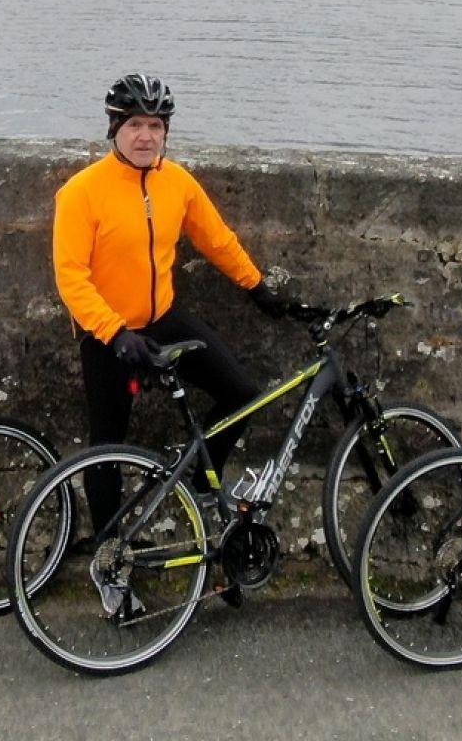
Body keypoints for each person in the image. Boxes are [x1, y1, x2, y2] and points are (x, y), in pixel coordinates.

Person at [52, 73, 293, 536]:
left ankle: (204, 483)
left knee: (242, 395)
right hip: (109, 336)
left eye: (156, 126)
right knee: (106, 449)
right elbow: (71, 277)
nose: (146, 136)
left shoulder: (177, 181)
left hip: (164, 318)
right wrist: (115, 333)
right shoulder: (82, 192)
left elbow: (216, 239)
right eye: (135, 125)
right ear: (115, 130)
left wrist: (256, 286)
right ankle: (109, 560)